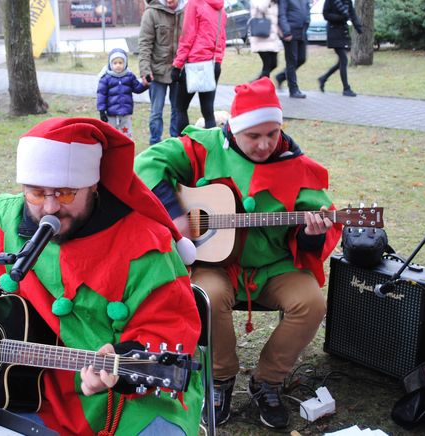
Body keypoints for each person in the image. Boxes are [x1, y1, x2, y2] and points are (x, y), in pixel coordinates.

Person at [0, 117, 203, 435]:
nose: (51, 207)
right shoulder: (8, 220)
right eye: (37, 193)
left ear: (93, 184)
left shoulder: (146, 244)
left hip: (133, 396)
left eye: (66, 193)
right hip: (37, 393)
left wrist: (118, 365)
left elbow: (169, 326)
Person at [135, 77, 342, 429]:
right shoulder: (203, 148)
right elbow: (148, 162)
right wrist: (173, 213)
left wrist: (309, 234)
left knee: (312, 303)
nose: (264, 145)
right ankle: (220, 378)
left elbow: (322, 228)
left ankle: (268, 380)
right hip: (216, 264)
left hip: (273, 265)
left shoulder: (299, 167)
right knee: (208, 297)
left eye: (272, 134)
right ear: (234, 129)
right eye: (253, 136)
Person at [170, 0, 226, 133]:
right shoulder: (221, 10)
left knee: (180, 107)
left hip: (196, 64)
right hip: (213, 64)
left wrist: (177, 65)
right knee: (208, 111)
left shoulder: (195, 4)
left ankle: (183, 145)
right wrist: (218, 60)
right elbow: (222, 39)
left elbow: (187, 36)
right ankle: (212, 147)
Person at [138, 0, 186, 145]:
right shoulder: (152, 12)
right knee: (156, 112)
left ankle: (175, 144)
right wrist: (145, 70)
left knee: (177, 110)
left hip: (179, 71)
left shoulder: (187, 11)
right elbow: (145, 43)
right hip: (157, 72)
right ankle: (155, 144)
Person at [97, 48, 147, 138]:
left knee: (127, 134)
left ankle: (127, 147)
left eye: (120, 63)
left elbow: (137, 88)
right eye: (115, 63)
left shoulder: (129, 76)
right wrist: (101, 110)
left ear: (125, 63)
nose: (118, 65)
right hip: (110, 113)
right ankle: (112, 149)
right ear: (110, 64)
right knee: (111, 134)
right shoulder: (105, 78)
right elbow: (101, 95)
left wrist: (146, 84)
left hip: (125, 113)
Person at [318, 0, 362, 96]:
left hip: (343, 32)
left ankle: (323, 78)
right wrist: (340, 18)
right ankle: (346, 88)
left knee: (341, 62)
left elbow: (352, 14)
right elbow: (326, 15)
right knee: (344, 59)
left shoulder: (347, 1)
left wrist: (359, 28)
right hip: (334, 32)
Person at [274, 0, 310, 98]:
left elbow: (306, 11)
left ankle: (281, 76)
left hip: (302, 32)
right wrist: (286, 32)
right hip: (290, 33)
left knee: (301, 59)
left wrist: (307, 23)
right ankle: (293, 90)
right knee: (291, 61)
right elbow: (282, 15)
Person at [249, 0, 282, 80]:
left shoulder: (274, 3)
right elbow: (262, 8)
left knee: (274, 64)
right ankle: (263, 88)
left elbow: (276, 19)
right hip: (261, 38)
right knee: (267, 65)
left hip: (273, 39)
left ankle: (255, 83)